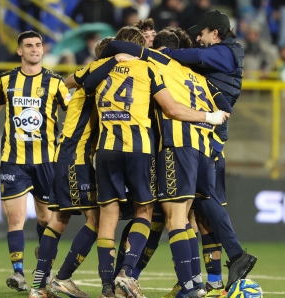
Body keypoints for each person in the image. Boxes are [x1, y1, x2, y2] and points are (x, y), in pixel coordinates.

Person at [83, 26, 229, 298]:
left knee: (161, 217)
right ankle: (198, 283)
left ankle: (163, 283)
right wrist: (213, 120)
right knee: (186, 218)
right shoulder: (197, 76)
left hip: (169, 146)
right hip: (203, 149)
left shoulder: (155, 64)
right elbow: (225, 108)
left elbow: (169, 108)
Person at [158, 10, 257, 292]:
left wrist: (166, 52)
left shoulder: (227, 51)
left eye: (201, 33)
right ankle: (214, 275)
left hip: (210, 132)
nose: (198, 39)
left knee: (205, 196)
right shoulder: (224, 54)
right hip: (207, 129)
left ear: (215, 33)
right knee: (202, 204)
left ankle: (236, 255)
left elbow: (199, 58)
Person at [0, 31, 69, 292]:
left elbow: (73, 114)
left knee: (46, 220)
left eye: (38, 45)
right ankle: (18, 274)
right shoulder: (5, 80)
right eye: (29, 45)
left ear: (42, 50)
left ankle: (43, 267)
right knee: (15, 219)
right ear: (19, 51)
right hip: (13, 160)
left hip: (47, 160)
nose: (35, 49)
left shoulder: (56, 83)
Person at [28, 37, 119, 298]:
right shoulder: (97, 73)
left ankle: (38, 287)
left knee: (59, 220)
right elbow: (74, 81)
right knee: (96, 219)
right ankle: (63, 277)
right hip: (75, 158)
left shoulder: (93, 75)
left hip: (66, 155)